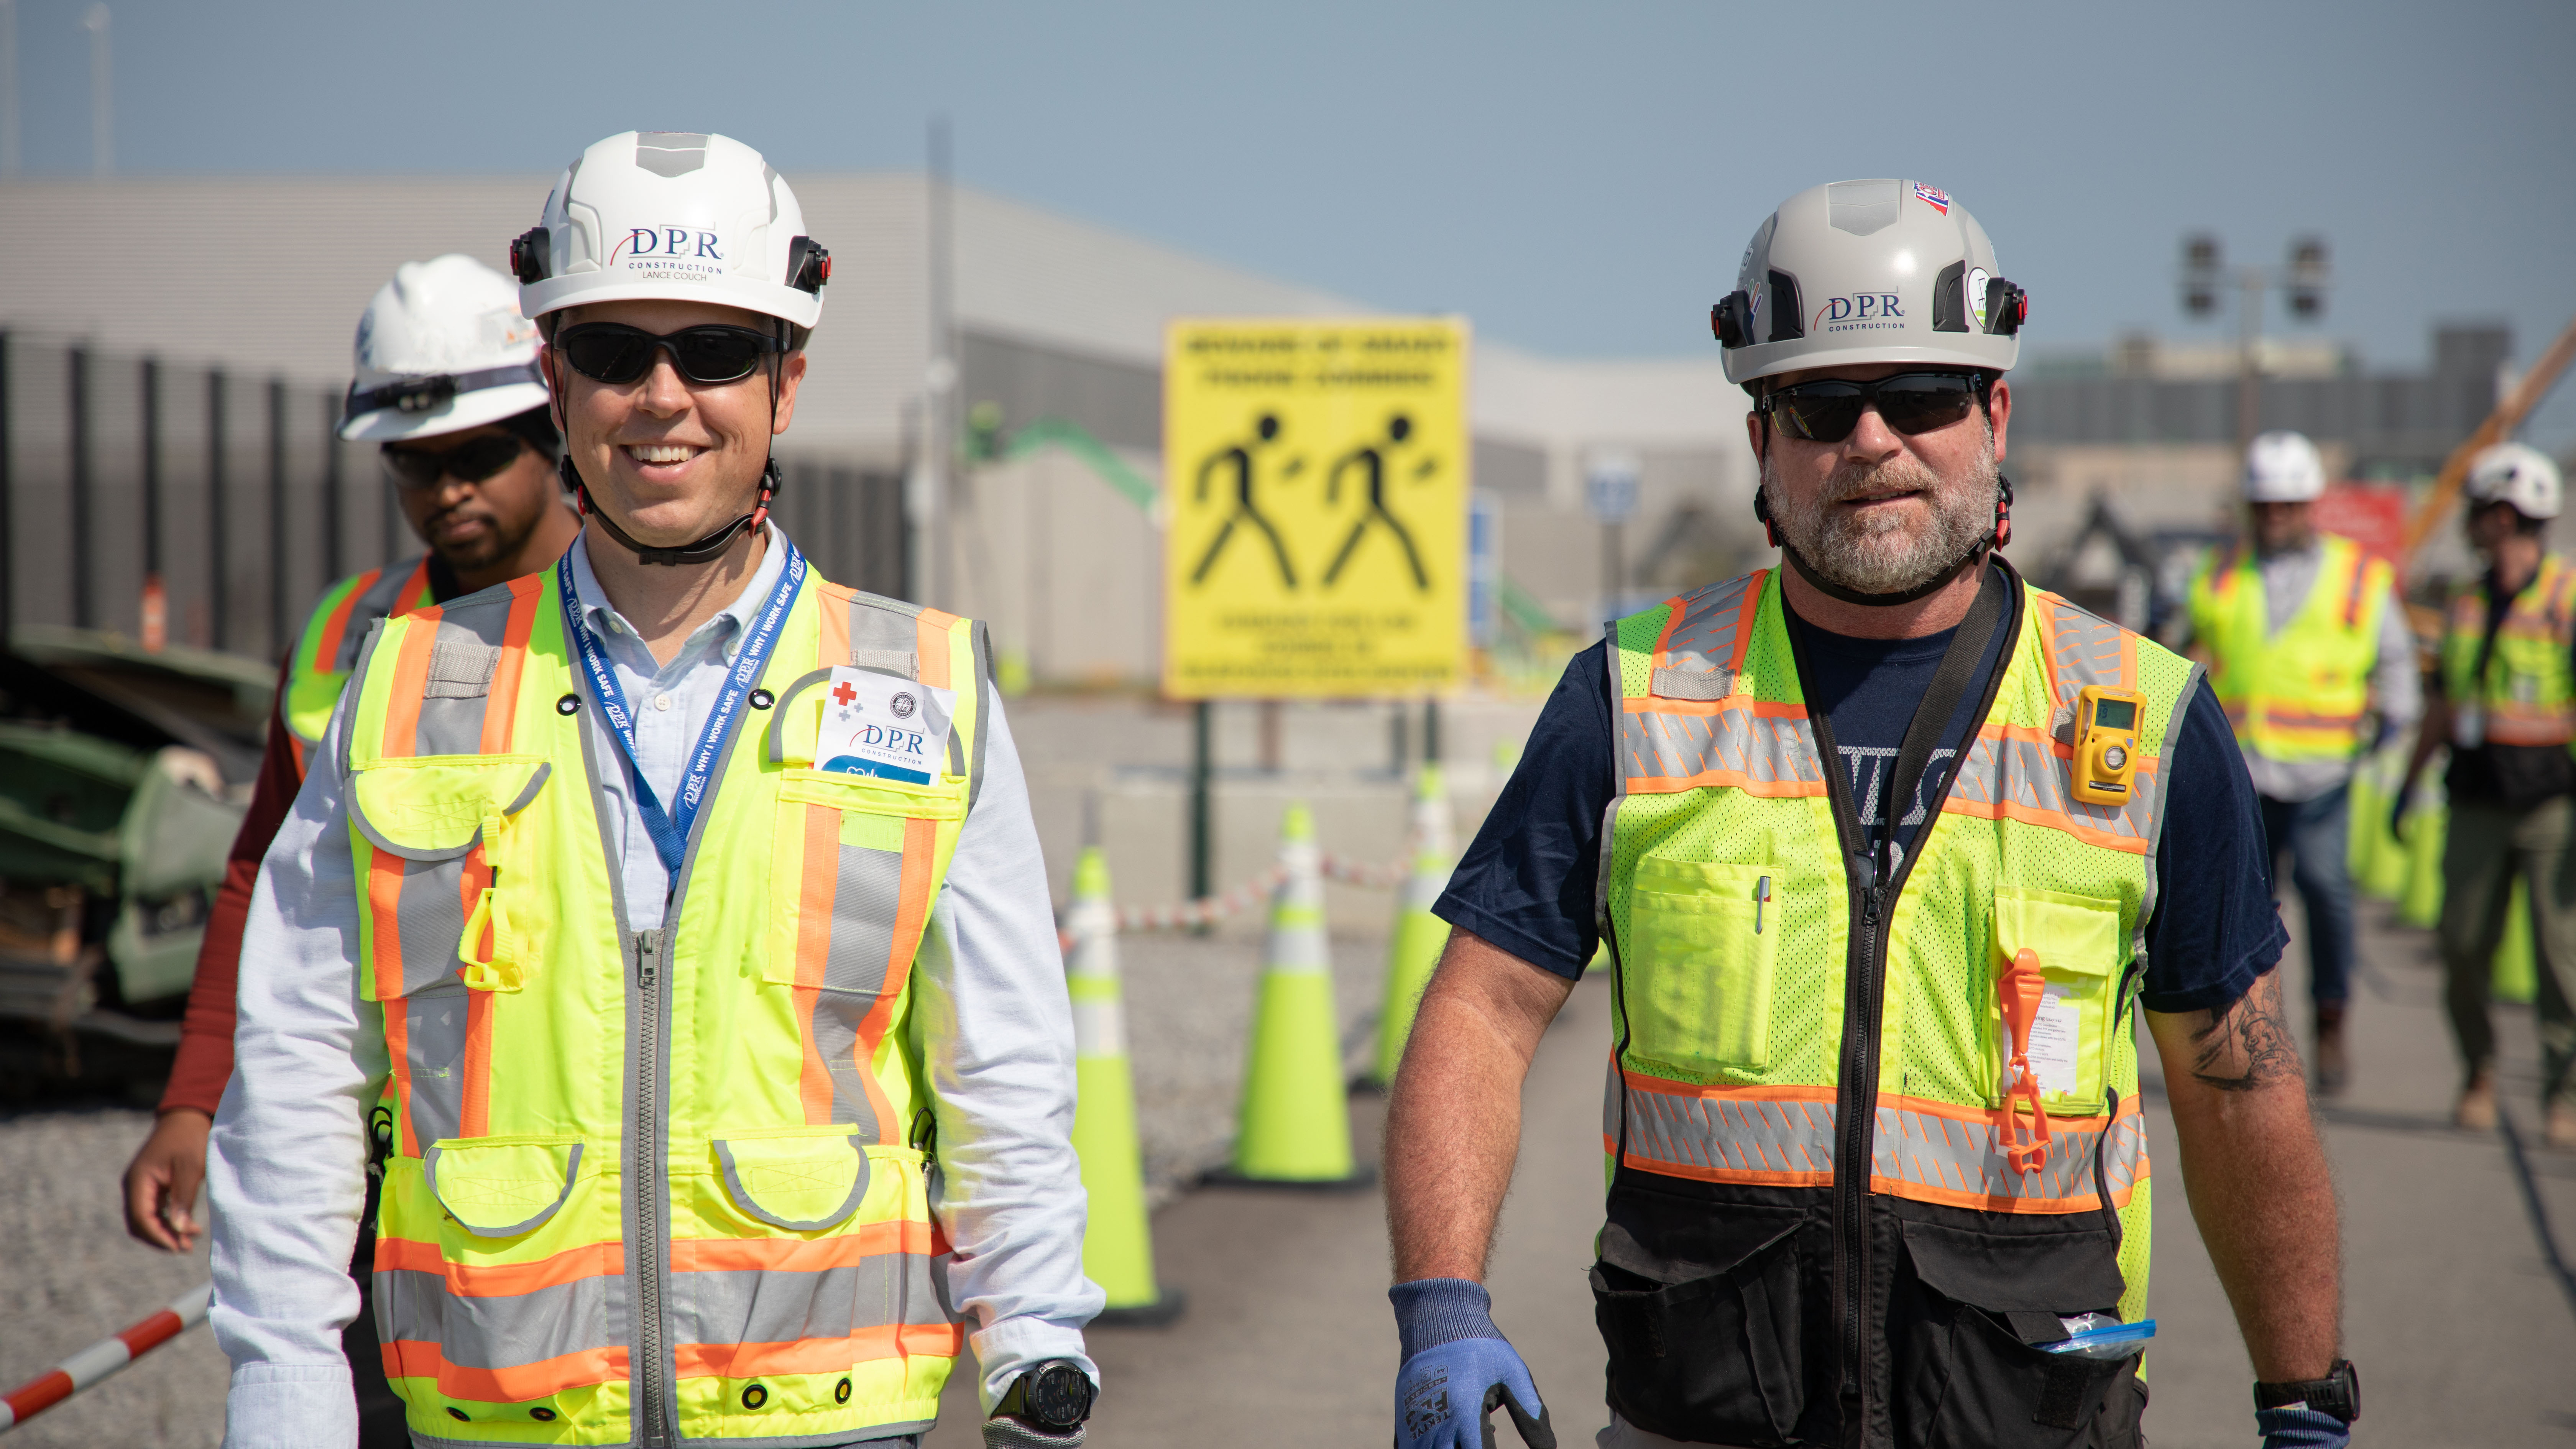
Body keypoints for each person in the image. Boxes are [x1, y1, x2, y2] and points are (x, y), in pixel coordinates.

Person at [1382, 179, 2355, 1449]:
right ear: (1762, 439)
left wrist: (2302, 1398)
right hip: (1704, 1419)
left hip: (2030, 1415)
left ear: (1994, 410)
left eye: (1924, 394)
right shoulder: (1632, 699)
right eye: (1822, 403)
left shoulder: (2143, 717)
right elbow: (1484, 1013)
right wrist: (1443, 1307)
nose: (1874, 439)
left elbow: (2239, 1088)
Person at [203, 131, 1101, 1449]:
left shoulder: (925, 688)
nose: (664, 394)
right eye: (617, 351)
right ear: (555, 379)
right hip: (493, 1419)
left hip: (828, 1421)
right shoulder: (401, 688)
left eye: (718, 352)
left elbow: (1002, 1070)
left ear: (786, 382)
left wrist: (1034, 1348)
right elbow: (293, 1068)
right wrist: (283, 1390)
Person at [120, 252, 582, 1446]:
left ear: (551, 435)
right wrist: (194, 1098)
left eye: (476, 456)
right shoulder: (345, 641)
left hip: (573, 1166)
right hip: (376, 1177)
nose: (445, 491)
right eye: (413, 463)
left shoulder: (622, 631)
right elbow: (261, 884)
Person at [2176, 430, 2417, 1094]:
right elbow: (2183, 659)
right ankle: (2249, 1036)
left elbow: (2396, 659)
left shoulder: (2359, 577)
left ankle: (2332, 1018)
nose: (2274, 517)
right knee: (2242, 909)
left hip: (2323, 778)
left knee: (2326, 888)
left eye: (2286, 505)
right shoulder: (2218, 573)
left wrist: (2392, 728)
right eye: (2263, 506)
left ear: (2310, 505)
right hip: (2243, 776)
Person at [2395, 441, 2576, 1148]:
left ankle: (2564, 1092)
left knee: (2561, 958)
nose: (2469, 523)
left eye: (2477, 511)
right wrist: (2410, 783)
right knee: (2463, 946)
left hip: (2552, 808)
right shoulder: (2467, 602)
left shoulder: (2566, 598)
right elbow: (2445, 702)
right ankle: (2480, 1071)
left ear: (2505, 515)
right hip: (2473, 800)